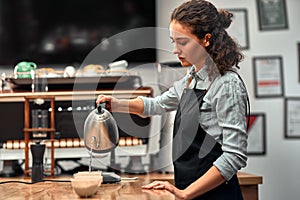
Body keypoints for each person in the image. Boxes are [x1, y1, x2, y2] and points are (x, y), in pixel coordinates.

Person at [96, 0, 249, 199]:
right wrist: (116, 104)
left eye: (182, 42)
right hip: (190, 193)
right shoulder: (192, 78)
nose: (175, 50)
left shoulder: (226, 85)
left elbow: (234, 156)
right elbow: (157, 104)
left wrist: (186, 193)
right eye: (173, 41)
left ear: (206, 39)